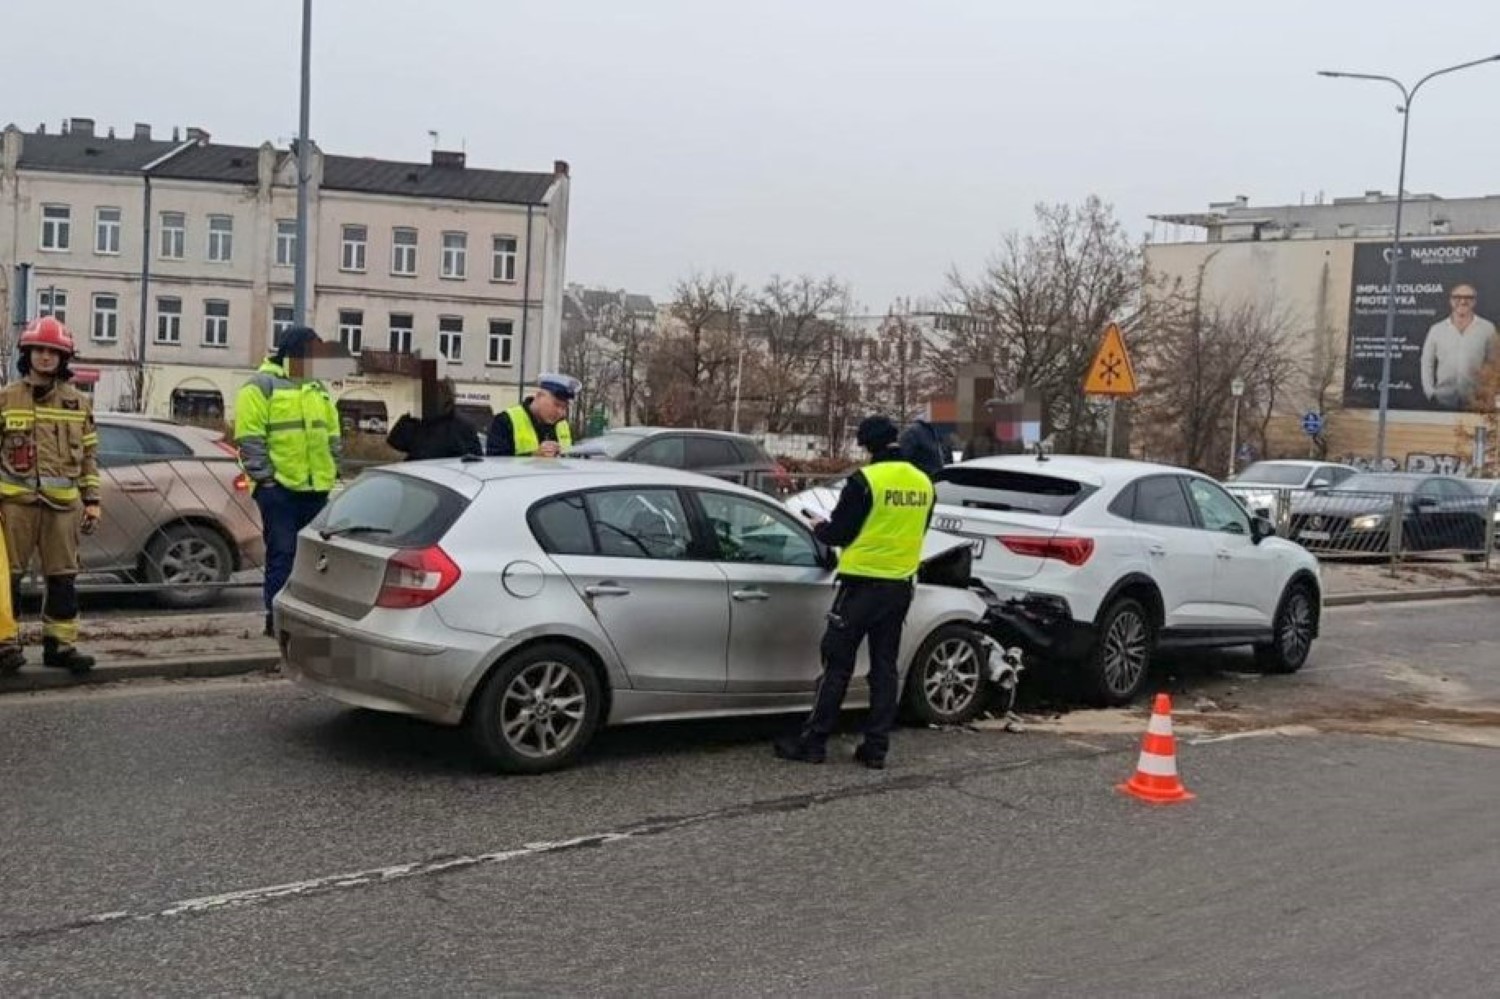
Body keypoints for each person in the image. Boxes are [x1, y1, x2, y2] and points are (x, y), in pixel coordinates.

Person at [773, 414, 936, 770]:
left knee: (837, 662)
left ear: (867, 445)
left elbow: (840, 534)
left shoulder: (864, 481)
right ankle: (876, 748)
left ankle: (814, 741)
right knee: (884, 667)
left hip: (861, 586)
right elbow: (919, 529)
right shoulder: (924, 483)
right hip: (899, 588)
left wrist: (819, 526)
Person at [0, 316, 102, 674]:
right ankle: (5, 646)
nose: (45, 357)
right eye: (38, 350)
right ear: (27, 354)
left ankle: (59, 646)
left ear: (64, 358)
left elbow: (89, 456)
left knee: (63, 577)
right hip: (14, 507)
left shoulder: (77, 403)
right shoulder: (6, 398)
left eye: (53, 351)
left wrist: (92, 501)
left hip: (62, 508)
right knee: (6, 578)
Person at [235, 326, 342, 637]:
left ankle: (306, 618)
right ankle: (277, 619)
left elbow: (332, 434)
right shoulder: (261, 385)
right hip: (279, 489)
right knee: (282, 554)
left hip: (315, 488)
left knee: (315, 560)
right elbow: (249, 436)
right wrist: (266, 480)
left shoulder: (317, 388)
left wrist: (333, 468)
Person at [1420, 282, 1498, 410]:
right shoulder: (1436, 329)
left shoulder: (1487, 329)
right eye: (1457, 297)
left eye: (1468, 298)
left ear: (1474, 302)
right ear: (1451, 300)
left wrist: (1489, 394)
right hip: (1442, 401)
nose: (1462, 301)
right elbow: (1426, 362)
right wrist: (1430, 392)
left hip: (1475, 402)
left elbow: (1494, 364)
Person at [485, 373, 581, 456]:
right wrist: (533, 456)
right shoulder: (506, 421)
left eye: (564, 407)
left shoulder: (562, 425)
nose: (561, 412)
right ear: (539, 396)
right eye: (556, 405)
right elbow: (495, 462)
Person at [386, 377, 481, 461]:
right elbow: (394, 442)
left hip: (443, 478)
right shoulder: (418, 420)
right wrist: (408, 418)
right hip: (416, 475)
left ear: (447, 396)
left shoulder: (463, 425)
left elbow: (475, 460)